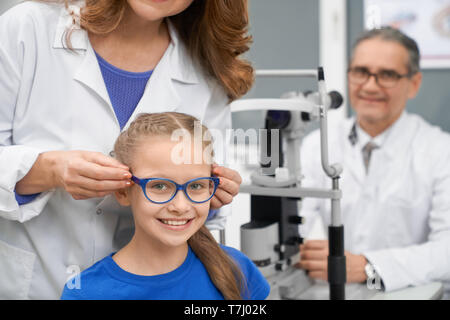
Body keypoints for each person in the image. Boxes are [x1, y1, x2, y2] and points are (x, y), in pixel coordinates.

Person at [0, 0, 252, 299]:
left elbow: (196, 211)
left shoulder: (206, 69)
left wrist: (209, 194)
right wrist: (48, 170)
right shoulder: (28, 28)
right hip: (33, 282)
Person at [297, 27, 450, 298]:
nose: (369, 86)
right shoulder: (317, 146)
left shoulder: (440, 151)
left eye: (387, 75)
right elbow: (298, 223)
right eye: (360, 72)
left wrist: (368, 266)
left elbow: (447, 249)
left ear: (414, 83)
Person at [60, 112, 270, 300]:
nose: (180, 206)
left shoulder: (237, 267)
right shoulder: (86, 293)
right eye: (160, 186)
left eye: (196, 185)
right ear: (124, 191)